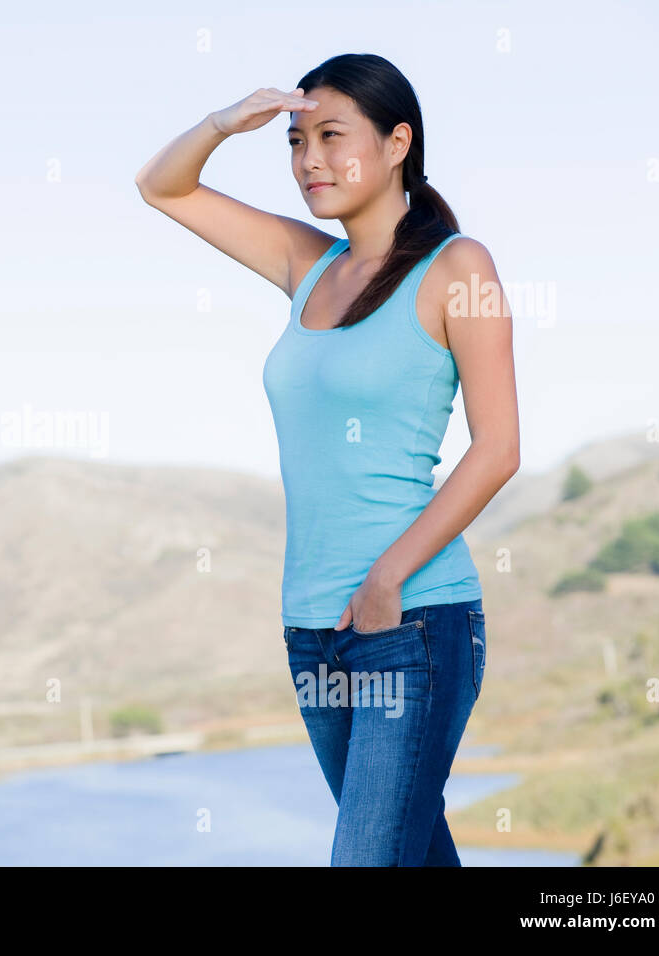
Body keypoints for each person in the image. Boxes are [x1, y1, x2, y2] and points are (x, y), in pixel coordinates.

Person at [134, 53, 520, 865]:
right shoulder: (307, 267)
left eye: (333, 135)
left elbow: (498, 451)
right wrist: (221, 123)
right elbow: (162, 187)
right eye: (295, 140)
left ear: (396, 143)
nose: (310, 159)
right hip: (312, 630)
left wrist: (385, 582)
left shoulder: (458, 268)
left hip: (410, 621)